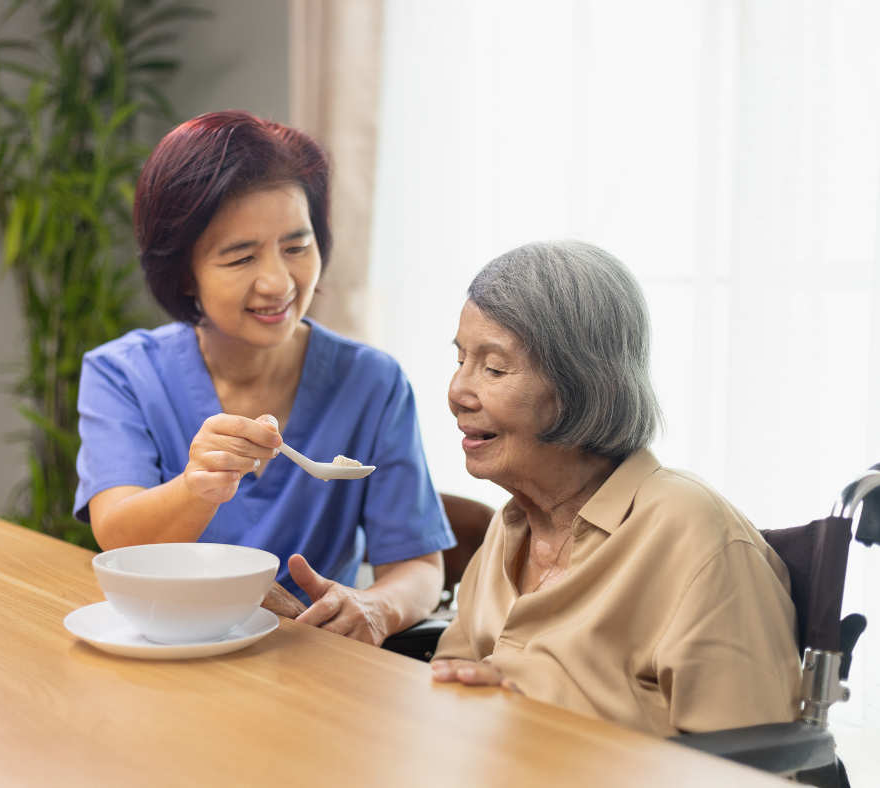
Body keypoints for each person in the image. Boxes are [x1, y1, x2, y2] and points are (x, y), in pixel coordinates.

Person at [73, 110, 454, 645]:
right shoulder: (123, 375)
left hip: (316, 664)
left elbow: (418, 564)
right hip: (171, 653)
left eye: (296, 248)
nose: (278, 282)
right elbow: (118, 538)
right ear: (184, 272)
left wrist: (374, 607)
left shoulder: (372, 382)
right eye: (241, 257)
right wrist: (196, 487)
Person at [430, 240, 800, 736]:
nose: (456, 393)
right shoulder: (511, 525)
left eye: (494, 368)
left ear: (583, 385)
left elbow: (754, 768)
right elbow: (448, 682)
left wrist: (541, 733)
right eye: (460, 361)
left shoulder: (693, 535)